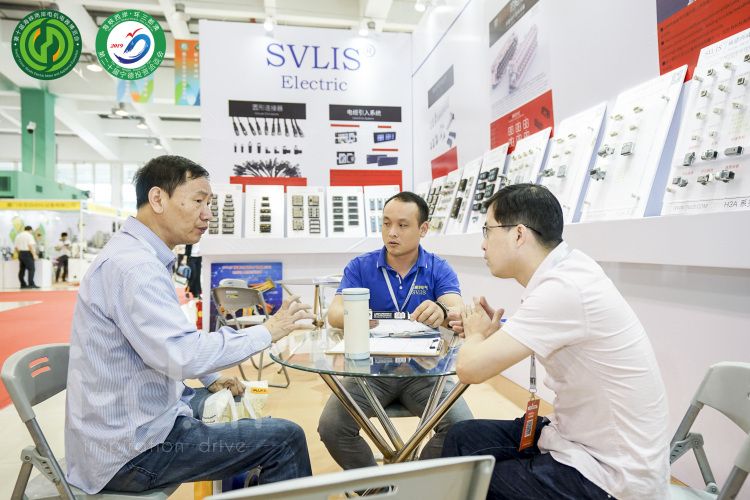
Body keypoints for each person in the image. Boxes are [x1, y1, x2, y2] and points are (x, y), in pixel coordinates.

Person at [65, 155, 315, 494]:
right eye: (199, 201)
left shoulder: (136, 256)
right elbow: (181, 354)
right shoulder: (135, 268)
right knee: (284, 439)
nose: (207, 214)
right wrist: (268, 331)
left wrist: (211, 377)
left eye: (209, 203)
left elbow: (167, 342)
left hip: (130, 424)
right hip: (133, 452)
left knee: (238, 404)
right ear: (158, 199)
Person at [441, 184, 669, 499]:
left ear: (518, 234)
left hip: (611, 474)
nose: (483, 244)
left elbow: (470, 370)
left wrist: (477, 333)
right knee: (463, 438)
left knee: (470, 483)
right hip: (577, 440)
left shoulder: (564, 288)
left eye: (487, 231)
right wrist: (491, 334)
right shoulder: (569, 269)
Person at [318, 191, 473, 469]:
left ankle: (413, 483)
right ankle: (377, 488)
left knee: (462, 427)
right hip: (368, 374)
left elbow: (456, 308)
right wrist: (357, 315)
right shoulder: (361, 266)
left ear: (423, 229)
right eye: (386, 223)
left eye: (402, 225)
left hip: (426, 373)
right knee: (332, 426)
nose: (392, 232)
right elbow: (334, 314)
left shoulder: (437, 268)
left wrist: (441, 310)